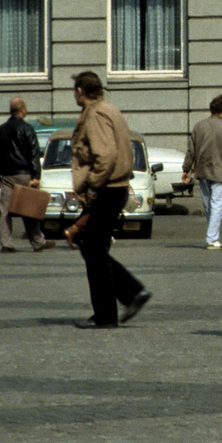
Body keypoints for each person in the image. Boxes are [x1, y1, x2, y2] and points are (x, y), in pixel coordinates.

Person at [67, 73, 151, 328]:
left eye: (75, 90)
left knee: (93, 248)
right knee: (91, 245)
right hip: (115, 188)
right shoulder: (109, 108)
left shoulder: (96, 114)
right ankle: (128, 294)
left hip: (108, 188)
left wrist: (92, 184)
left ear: (80, 90)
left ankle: (109, 312)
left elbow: (105, 155)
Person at [0, 96, 53, 253]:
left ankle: (6, 243)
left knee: (5, 210)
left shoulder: (0, 130)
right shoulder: (27, 128)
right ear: (23, 110)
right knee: (28, 209)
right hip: (23, 173)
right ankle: (37, 241)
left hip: (6, 175)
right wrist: (36, 176)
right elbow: (33, 153)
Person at [182, 95, 222, 250]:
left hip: (203, 170)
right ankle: (212, 238)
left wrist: (186, 169)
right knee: (217, 205)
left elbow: (191, 151)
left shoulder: (199, 127)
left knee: (208, 205)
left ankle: (213, 236)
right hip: (221, 170)